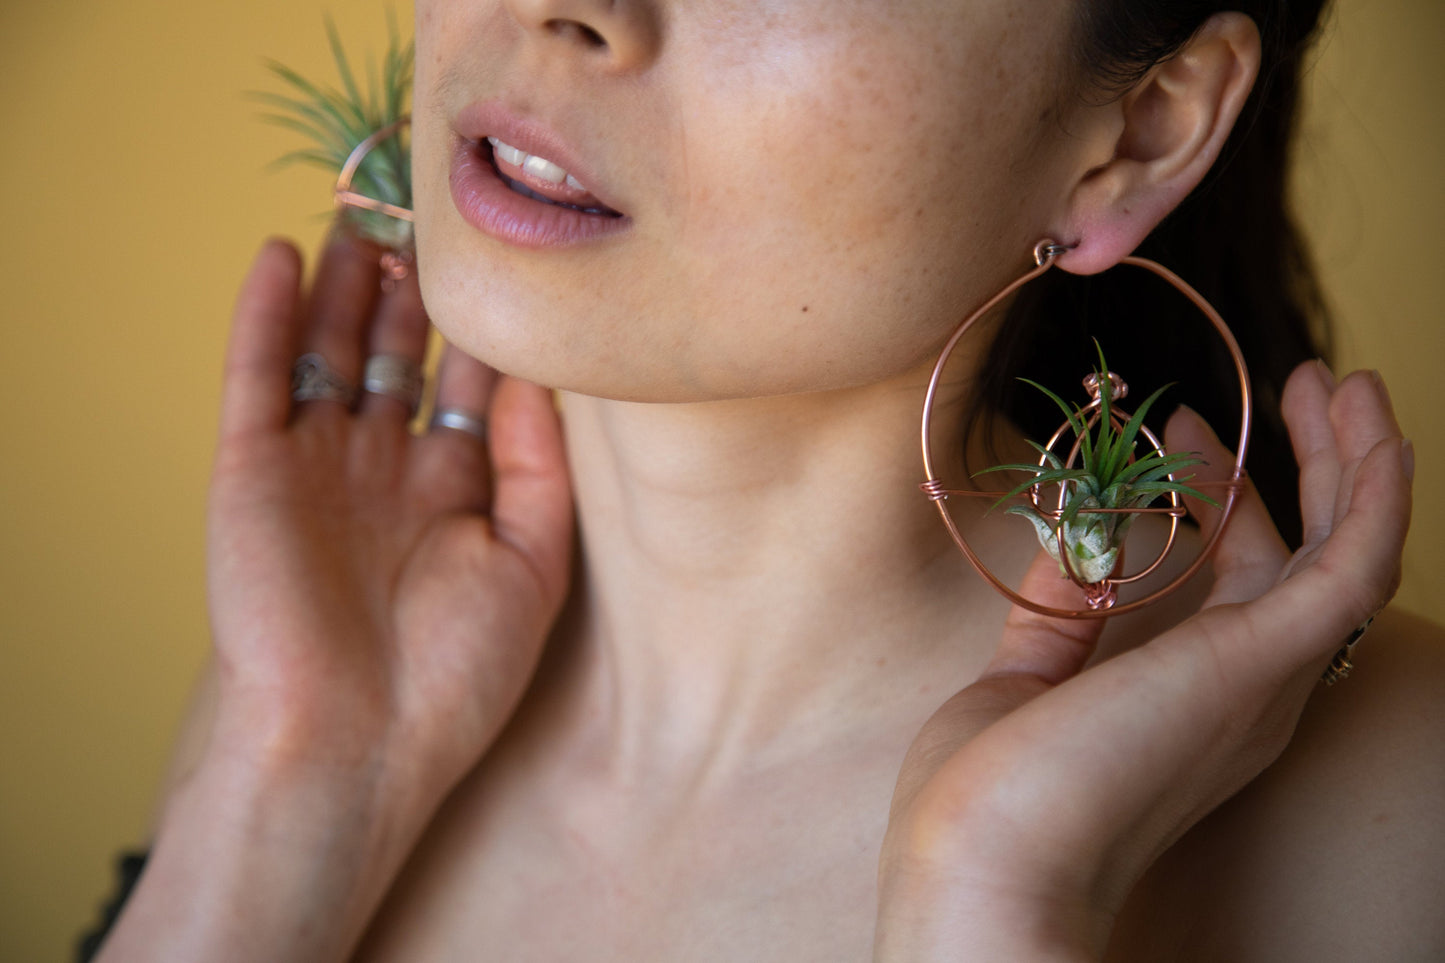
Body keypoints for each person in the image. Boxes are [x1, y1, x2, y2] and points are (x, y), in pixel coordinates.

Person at [90, 0, 1444, 959]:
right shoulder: (320, 692)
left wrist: (993, 913)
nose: (568, 11)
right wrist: (275, 812)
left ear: (1137, 133)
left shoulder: (1404, 814)